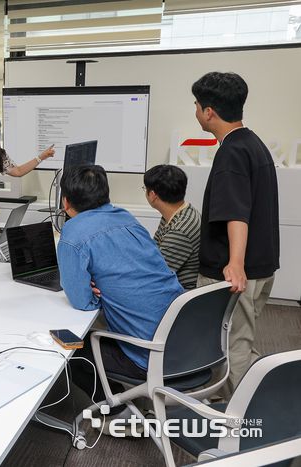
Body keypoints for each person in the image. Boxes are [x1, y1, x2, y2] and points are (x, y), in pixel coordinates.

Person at [56, 165, 183, 405]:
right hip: (186, 341)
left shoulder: (73, 234)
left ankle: (116, 409)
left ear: (66, 201)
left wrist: (97, 293)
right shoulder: (126, 217)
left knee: (68, 346)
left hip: (150, 355)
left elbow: (83, 302)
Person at [192, 72, 279, 399]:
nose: (195, 111)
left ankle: (247, 418)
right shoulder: (252, 143)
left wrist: (235, 263)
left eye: (196, 105)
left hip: (235, 274)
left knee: (233, 349)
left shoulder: (231, 152)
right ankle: (239, 399)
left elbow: (236, 213)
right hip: (260, 268)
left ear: (209, 112)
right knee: (239, 342)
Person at [143, 164, 201, 289]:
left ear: (152, 195)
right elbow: (153, 250)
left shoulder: (180, 230)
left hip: (179, 294)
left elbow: (155, 274)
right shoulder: (177, 212)